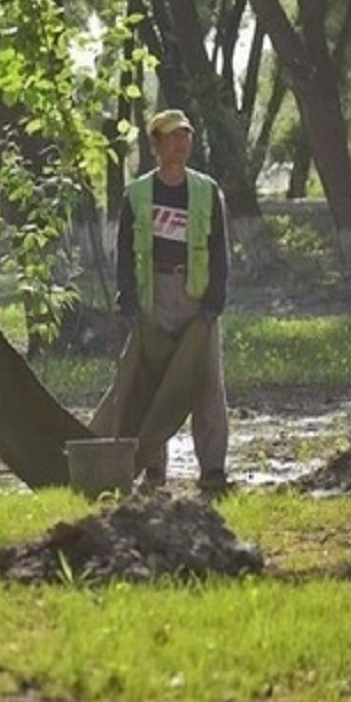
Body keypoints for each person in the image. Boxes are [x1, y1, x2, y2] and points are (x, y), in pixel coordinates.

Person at [108, 108, 230, 494]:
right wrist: (128, 301)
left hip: (196, 297)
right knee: (153, 384)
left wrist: (214, 303)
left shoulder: (206, 190)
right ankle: (153, 469)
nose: (181, 143)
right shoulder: (138, 193)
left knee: (207, 385)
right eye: (173, 136)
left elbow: (219, 249)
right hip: (153, 297)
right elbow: (124, 251)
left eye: (187, 136)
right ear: (156, 144)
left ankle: (212, 469)